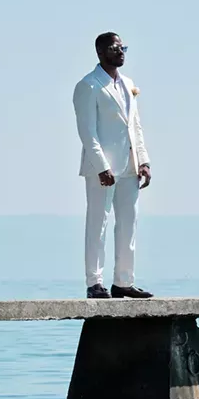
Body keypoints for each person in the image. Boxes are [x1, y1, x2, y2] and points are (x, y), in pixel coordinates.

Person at [73, 31, 152, 299]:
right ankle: (94, 282)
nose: (121, 52)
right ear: (100, 52)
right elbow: (87, 131)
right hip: (102, 169)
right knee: (98, 224)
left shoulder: (128, 83)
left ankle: (123, 282)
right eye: (114, 48)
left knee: (129, 223)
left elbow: (135, 126)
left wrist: (143, 160)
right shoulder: (89, 85)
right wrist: (101, 166)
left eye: (123, 47)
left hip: (129, 166)